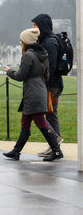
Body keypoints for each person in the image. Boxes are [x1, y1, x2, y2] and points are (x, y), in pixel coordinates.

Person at [3, 28, 63, 162]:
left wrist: (9, 71)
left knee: (41, 123)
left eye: (21, 40)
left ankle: (57, 150)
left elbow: (20, 75)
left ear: (26, 41)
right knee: (25, 122)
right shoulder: (42, 54)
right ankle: (16, 151)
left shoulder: (28, 56)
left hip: (32, 93)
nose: (19, 42)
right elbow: (47, 75)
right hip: (39, 90)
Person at [31, 14, 64, 157]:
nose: (33, 28)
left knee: (50, 113)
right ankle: (53, 144)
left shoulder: (50, 42)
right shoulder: (47, 40)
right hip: (51, 83)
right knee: (50, 114)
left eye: (35, 25)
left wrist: (44, 84)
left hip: (52, 84)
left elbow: (50, 66)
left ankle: (55, 142)